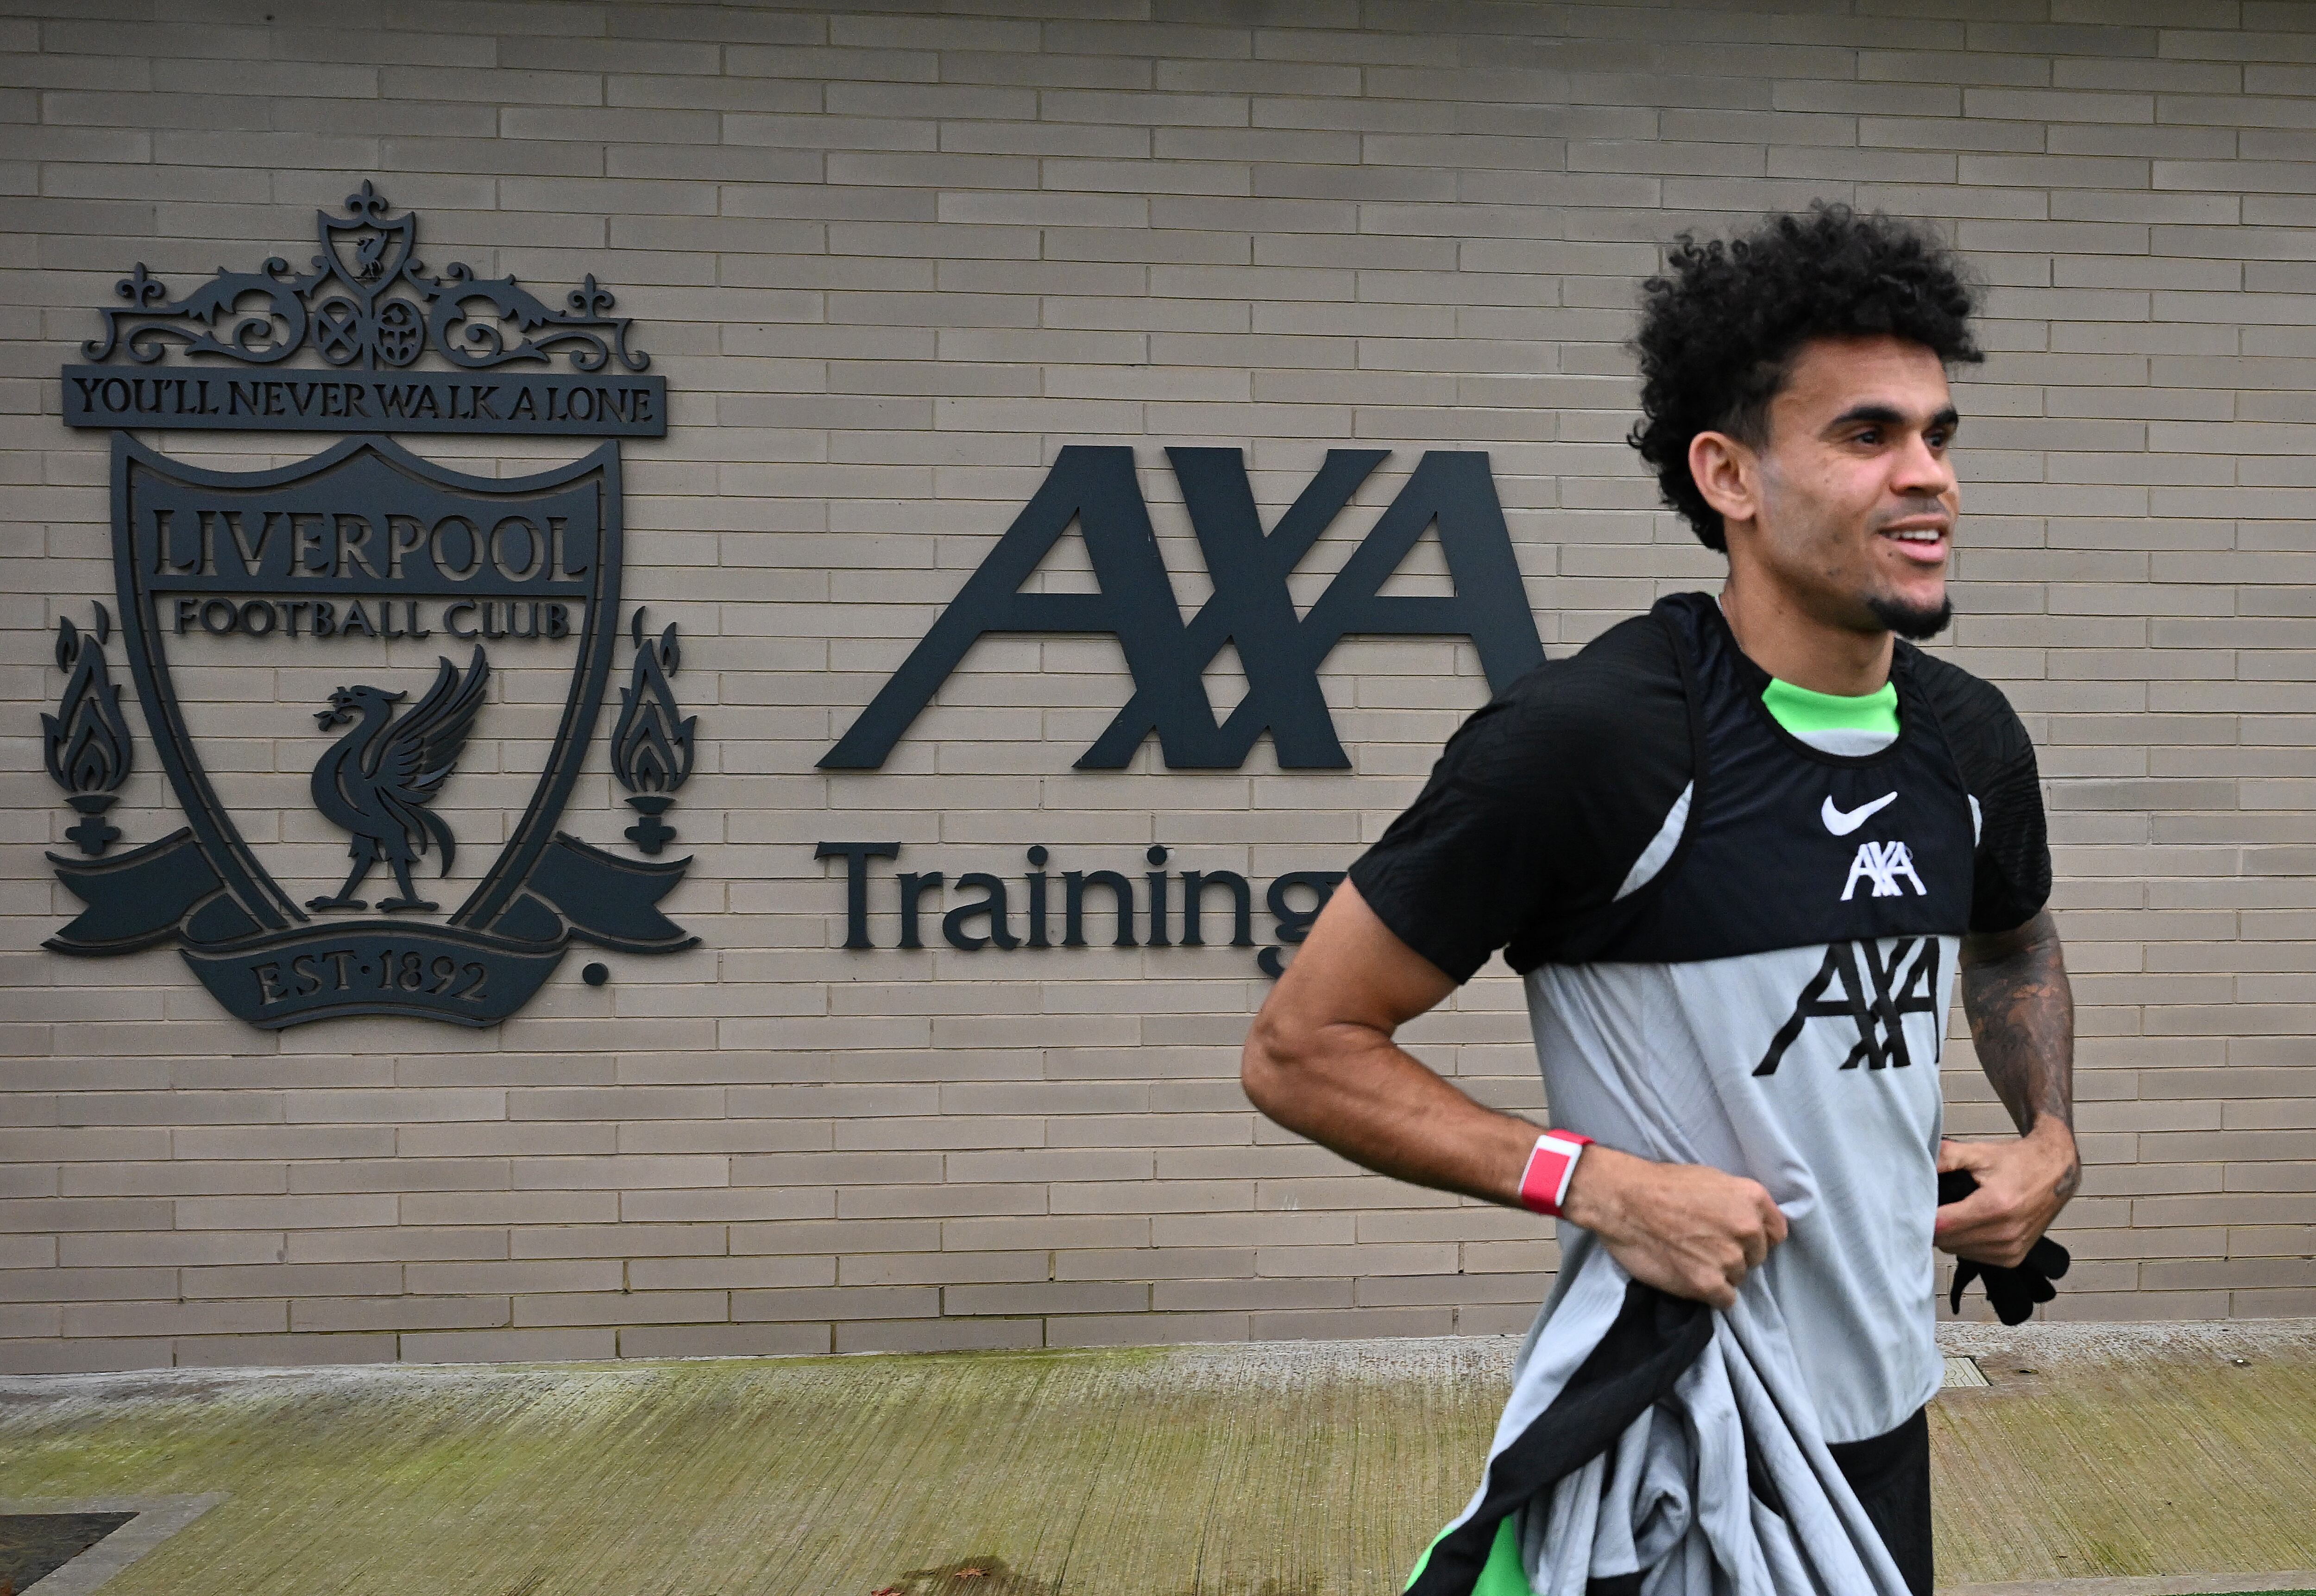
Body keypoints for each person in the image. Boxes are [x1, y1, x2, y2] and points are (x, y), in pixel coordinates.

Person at [1241, 205, 2077, 1596]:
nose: (1928, 476)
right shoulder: (1597, 741)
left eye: (1939, 435)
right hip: (1680, 1435)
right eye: (1869, 436)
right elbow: (1301, 1048)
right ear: (1729, 475)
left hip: (1887, 1421)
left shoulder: (1969, 740)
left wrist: (2049, 1139)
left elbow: (2015, 940)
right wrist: (1603, 1183)